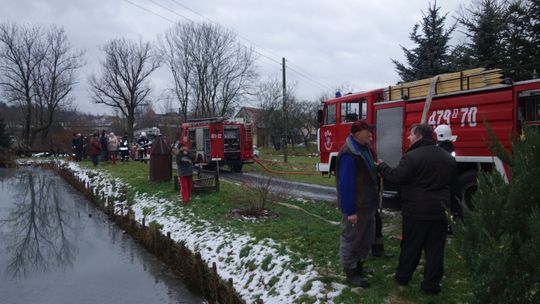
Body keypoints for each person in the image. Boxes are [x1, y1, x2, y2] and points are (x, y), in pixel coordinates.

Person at [375, 123, 458, 295]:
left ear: (419, 136)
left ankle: (403, 276)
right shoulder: (448, 158)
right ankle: (431, 285)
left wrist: (381, 166)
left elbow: (396, 177)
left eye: (411, 135)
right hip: (439, 212)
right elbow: (453, 186)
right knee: (435, 249)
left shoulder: (411, 157)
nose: (408, 137)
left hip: (416, 212)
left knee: (411, 246)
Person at [336, 120, 378, 288]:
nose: (370, 134)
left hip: (368, 204)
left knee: (365, 239)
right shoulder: (349, 153)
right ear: (356, 134)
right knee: (351, 240)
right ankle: (350, 271)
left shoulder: (365, 148)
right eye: (366, 131)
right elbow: (346, 184)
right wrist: (350, 211)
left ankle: (359, 266)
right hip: (357, 207)